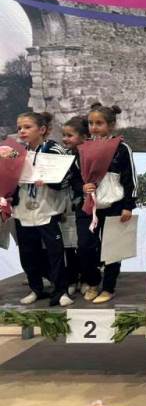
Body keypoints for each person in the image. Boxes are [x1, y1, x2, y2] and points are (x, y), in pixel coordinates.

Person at [12, 111, 71, 306]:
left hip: (48, 209)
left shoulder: (55, 150)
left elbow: (68, 179)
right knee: (28, 253)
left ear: (42, 129)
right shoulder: (17, 152)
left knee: (55, 253)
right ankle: (36, 288)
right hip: (23, 210)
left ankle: (61, 291)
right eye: (19, 128)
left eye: (27, 127)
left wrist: (49, 180)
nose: (22, 131)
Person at [82, 103, 137, 304]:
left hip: (115, 204)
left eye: (99, 123)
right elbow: (77, 176)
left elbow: (130, 178)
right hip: (91, 205)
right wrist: (83, 187)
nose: (94, 127)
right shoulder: (84, 147)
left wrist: (128, 205)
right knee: (86, 247)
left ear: (111, 125)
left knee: (113, 248)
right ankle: (93, 282)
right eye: (91, 123)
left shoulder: (121, 148)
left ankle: (108, 287)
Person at [61, 116, 90, 297]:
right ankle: (72, 278)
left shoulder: (90, 154)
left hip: (84, 204)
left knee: (85, 244)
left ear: (84, 136)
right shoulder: (64, 155)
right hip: (66, 204)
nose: (65, 139)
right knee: (68, 244)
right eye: (64, 135)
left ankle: (86, 279)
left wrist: (82, 190)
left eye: (70, 135)